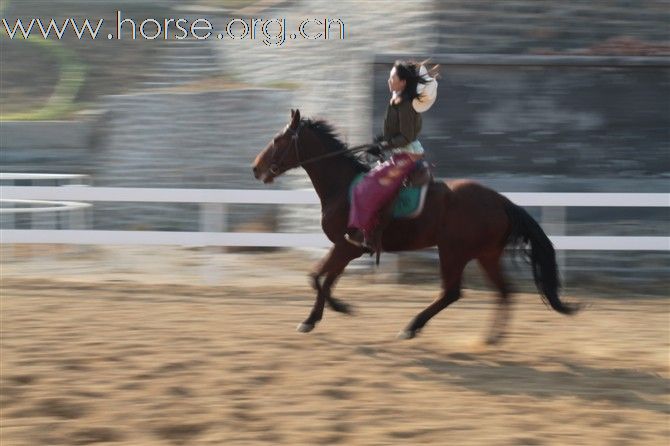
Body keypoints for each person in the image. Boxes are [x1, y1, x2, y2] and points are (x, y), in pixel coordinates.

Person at [346, 59, 439, 252]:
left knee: (363, 188)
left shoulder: (405, 104)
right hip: (400, 153)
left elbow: (405, 137)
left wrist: (383, 146)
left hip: (406, 156)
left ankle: (362, 233)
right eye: (389, 77)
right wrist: (378, 141)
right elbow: (393, 133)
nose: (389, 81)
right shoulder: (397, 99)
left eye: (392, 77)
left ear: (403, 82)